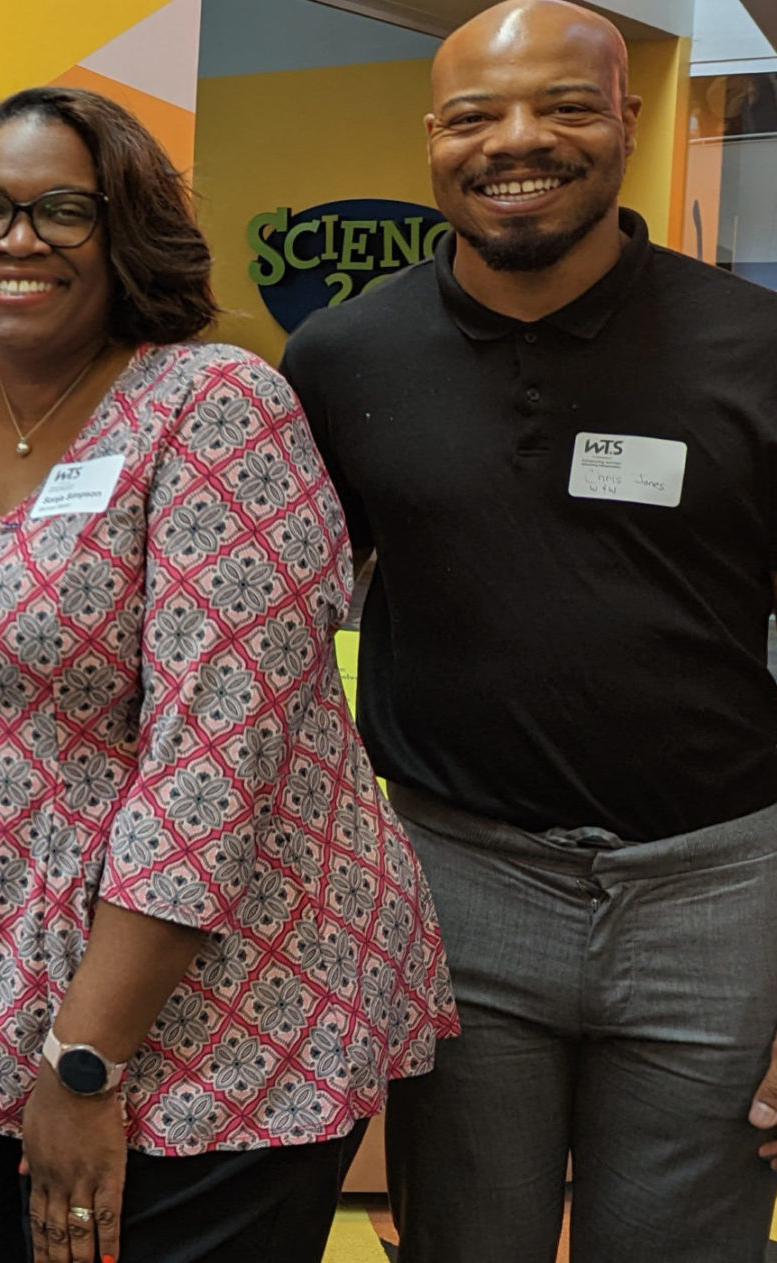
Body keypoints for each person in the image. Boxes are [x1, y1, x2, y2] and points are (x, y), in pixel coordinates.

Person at [0, 85, 458, 1263]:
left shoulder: (213, 405)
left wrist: (85, 1057)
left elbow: (211, 767)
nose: (16, 240)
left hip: (208, 1018)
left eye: (61, 210)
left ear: (124, 228)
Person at [279, 2, 777, 1259]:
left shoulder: (754, 349)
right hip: (456, 883)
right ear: (430, 138)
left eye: (561, 107)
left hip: (717, 894)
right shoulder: (339, 359)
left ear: (625, 118)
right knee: (461, 1241)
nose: (514, 142)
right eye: (473, 116)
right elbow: (272, 628)